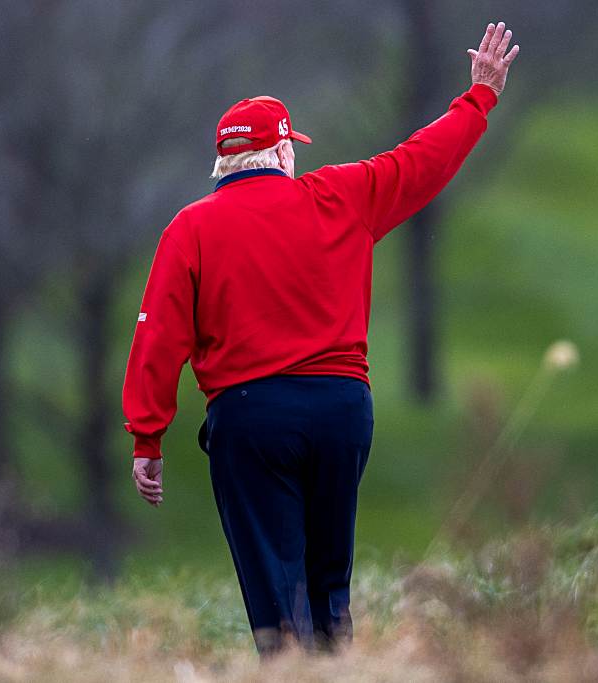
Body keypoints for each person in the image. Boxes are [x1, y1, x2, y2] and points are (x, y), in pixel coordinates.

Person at [122, 22, 520, 654]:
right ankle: (335, 664)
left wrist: (148, 435)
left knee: (274, 583)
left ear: (223, 161)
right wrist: (478, 97)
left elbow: (158, 335)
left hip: (251, 418)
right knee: (329, 576)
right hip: (340, 410)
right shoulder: (340, 194)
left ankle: (290, 668)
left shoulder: (190, 229)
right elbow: (422, 160)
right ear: (281, 153)